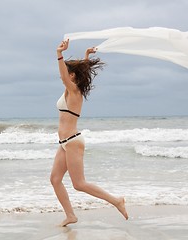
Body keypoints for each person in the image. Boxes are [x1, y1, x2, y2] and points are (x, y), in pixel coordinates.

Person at [50, 39, 129, 227]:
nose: (65, 76)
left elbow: (63, 77)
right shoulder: (69, 90)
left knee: (79, 184)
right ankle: (70, 215)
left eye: (69, 74)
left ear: (73, 77)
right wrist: (86, 58)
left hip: (73, 142)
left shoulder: (74, 90)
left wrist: (59, 54)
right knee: (55, 179)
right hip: (65, 143)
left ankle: (117, 201)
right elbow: (68, 76)